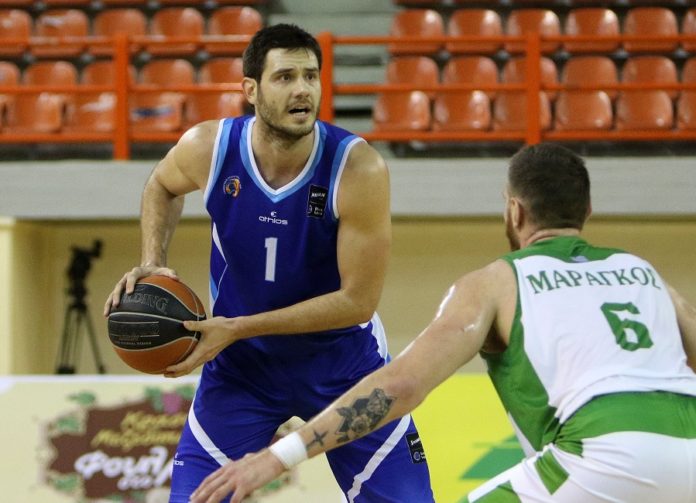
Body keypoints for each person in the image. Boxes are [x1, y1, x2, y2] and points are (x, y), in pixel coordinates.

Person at [187, 143, 696, 503]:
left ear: (515, 211)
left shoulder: (496, 281)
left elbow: (402, 386)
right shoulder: (645, 274)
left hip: (600, 455)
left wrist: (278, 457)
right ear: (587, 210)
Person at [104, 23, 434, 503]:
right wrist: (153, 262)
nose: (302, 89)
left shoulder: (358, 169)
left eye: (311, 76)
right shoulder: (209, 147)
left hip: (343, 367)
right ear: (251, 90)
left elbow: (357, 302)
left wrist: (236, 327)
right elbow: (161, 185)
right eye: (285, 77)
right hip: (243, 372)